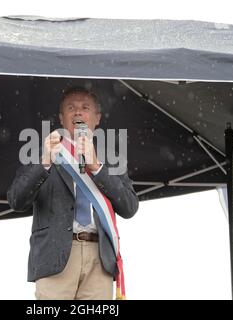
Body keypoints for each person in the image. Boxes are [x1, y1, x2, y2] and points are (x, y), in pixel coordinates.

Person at [7, 87, 139, 300]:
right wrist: (45, 162)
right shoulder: (42, 152)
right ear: (61, 118)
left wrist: (96, 166)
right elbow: (16, 200)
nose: (78, 112)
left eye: (85, 108)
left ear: (97, 118)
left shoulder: (111, 158)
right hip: (54, 258)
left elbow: (130, 207)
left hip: (100, 259)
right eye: (71, 108)